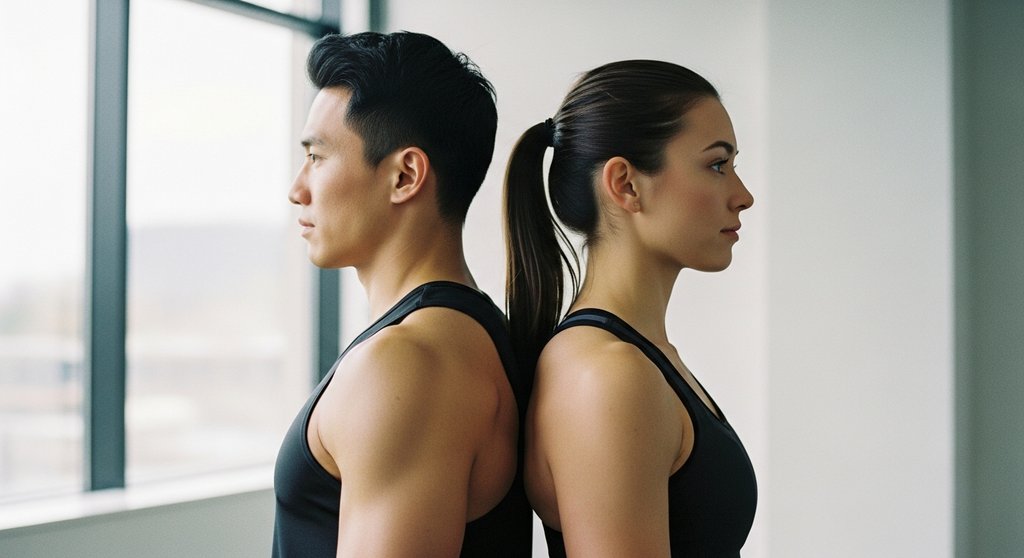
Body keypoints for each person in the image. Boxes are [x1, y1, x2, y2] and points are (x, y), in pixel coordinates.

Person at [273, 31, 531, 557]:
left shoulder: (409, 363)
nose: (297, 189)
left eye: (317, 157)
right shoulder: (456, 336)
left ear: (404, 176)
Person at [504, 60, 758, 557]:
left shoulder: (635, 360)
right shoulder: (609, 375)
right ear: (625, 184)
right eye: (717, 165)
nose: (743, 196)